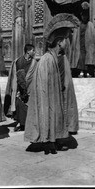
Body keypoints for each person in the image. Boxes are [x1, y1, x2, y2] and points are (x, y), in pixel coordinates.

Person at [24, 13, 79, 155]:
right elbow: (42, 87)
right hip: (46, 96)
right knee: (47, 113)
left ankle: (53, 139)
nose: (67, 42)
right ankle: (47, 140)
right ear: (60, 42)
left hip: (55, 96)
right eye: (66, 39)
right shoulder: (46, 60)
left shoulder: (58, 58)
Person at [4, 43, 37, 131]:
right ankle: (20, 123)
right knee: (19, 105)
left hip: (30, 87)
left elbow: (34, 75)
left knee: (28, 106)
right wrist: (18, 84)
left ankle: (27, 124)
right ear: (28, 51)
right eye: (33, 50)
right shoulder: (18, 61)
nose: (34, 52)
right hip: (19, 88)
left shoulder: (34, 63)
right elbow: (14, 75)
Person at [70, 1, 95, 78]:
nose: (84, 17)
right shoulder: (78, 25)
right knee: (80, 59)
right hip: (80, 45)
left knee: (88, 58)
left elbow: (94, 38)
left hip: (88, 46)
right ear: (81, 16)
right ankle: (80, 72)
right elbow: (75, 38)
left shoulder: (90, 25)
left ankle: (88, 72)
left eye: (86, 16)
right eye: (83, 15)